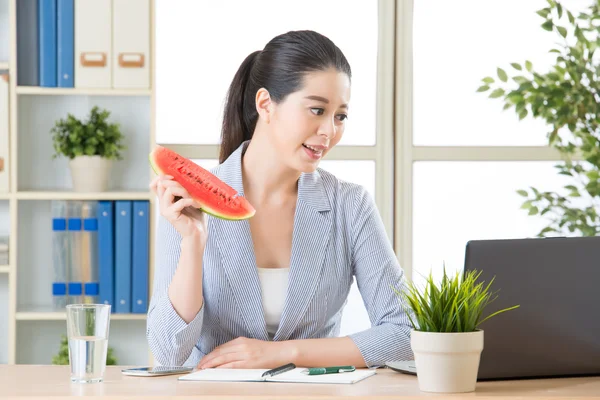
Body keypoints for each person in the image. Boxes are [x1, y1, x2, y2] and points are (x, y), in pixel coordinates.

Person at [147, 30, 413, 369]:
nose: (329, 131)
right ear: (265, 104)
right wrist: (194, 241)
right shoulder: (189, 202)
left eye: (340, 115)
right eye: (317, 110)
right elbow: (169, 353)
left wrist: (285, 353)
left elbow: (405, 333)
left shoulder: (351, 205)